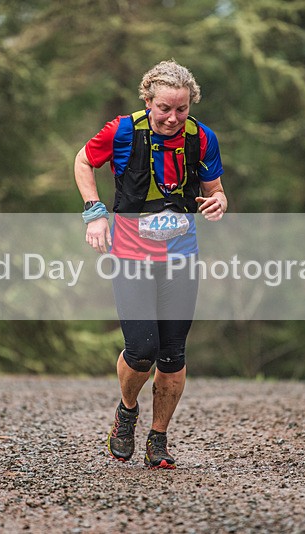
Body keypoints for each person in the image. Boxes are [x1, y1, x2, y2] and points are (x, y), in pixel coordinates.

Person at [74, 60, 227, 468]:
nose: (173, 118)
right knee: (142, 349)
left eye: (181, 109)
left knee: (173, 354)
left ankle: (158, 438)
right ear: (148, 101)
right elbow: (83, 161)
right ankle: (127, 412)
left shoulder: (201, 137)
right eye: (164, 109)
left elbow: (215, 188)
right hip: (131, 255)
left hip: (181, 256)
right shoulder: (122, 130)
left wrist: (219, 201)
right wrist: (94, 212)